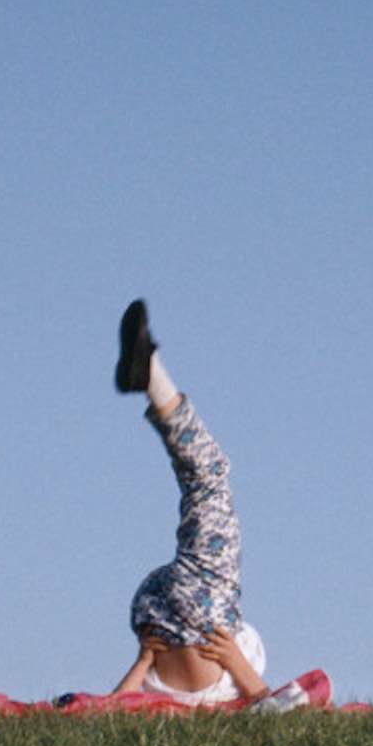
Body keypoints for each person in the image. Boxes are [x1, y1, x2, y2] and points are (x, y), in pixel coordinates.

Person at [106, 298, 273, 706]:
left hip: (199, 610)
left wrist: (234, 661)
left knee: (209, 477)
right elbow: (112, 708)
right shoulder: (173, 702)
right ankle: (151, 373)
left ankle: (151, 375)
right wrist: (145, 661)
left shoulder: (217, 697)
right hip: (153, 608)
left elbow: (267, 703)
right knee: (205, 482)